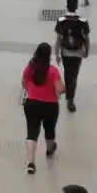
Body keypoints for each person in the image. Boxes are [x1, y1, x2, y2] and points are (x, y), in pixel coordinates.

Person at [22, 42, 64, 174]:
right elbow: (60, 89)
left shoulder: (30, 68)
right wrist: (61, 90)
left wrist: (31, 90)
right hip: (50, 105)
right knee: (49, 129)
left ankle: (30, 162)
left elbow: (23, 82)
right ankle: (50, 149)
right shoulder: (53, 71)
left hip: (31, 103)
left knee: (32, 132)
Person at [54, 0, 90, 113]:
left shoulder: (61, 20)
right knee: (73, 75)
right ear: (76, 7)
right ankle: (70, 99)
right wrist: (87, 50)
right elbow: (87, 38)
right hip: (78, 52)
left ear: (67, 6)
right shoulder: (83, 21)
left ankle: (69, 96)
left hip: (65, 52)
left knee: (67, 73)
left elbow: (59, 39)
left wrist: (57, 53)